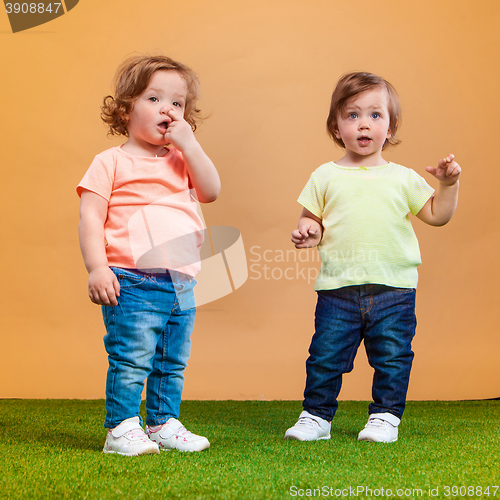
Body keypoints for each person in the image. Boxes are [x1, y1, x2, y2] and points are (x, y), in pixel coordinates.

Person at [285, 72, 461, 443]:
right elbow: (310, 218)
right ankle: (316, 416)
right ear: (336, 127)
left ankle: (384, 416)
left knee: (393, 356)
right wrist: (308, 231)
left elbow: (437, 216)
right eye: (352, 115)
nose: (363, 123)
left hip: (393, 290)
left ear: (390, 126)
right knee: (325, 357)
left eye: (375, 115)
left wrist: (448, 185)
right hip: (338, 288)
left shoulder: (403, 178)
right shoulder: (324, 176)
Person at [78, 55, 220, 456]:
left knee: (171, 359)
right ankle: (120, 428)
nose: (167, 110)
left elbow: (211, 190)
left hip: (181, 279)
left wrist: (189, 144)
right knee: (132, 357)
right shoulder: (110, 162)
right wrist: (97, 267)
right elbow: (90, 218)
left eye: (177, 104)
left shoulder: (182, 160)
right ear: (125, 110)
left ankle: (161, 422)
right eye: (155, 98)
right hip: (132, 277)